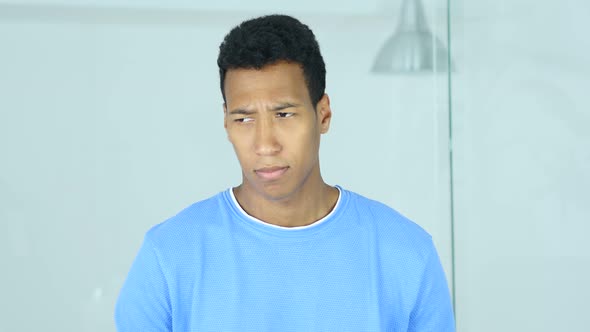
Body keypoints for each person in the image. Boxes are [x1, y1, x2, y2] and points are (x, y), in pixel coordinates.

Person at [115, 14, 455, 331]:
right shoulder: (167, 257)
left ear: (323, 115)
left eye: (284, 114)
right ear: (225, 122)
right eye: (244, 118)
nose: (265, 144)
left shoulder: (407, 255)